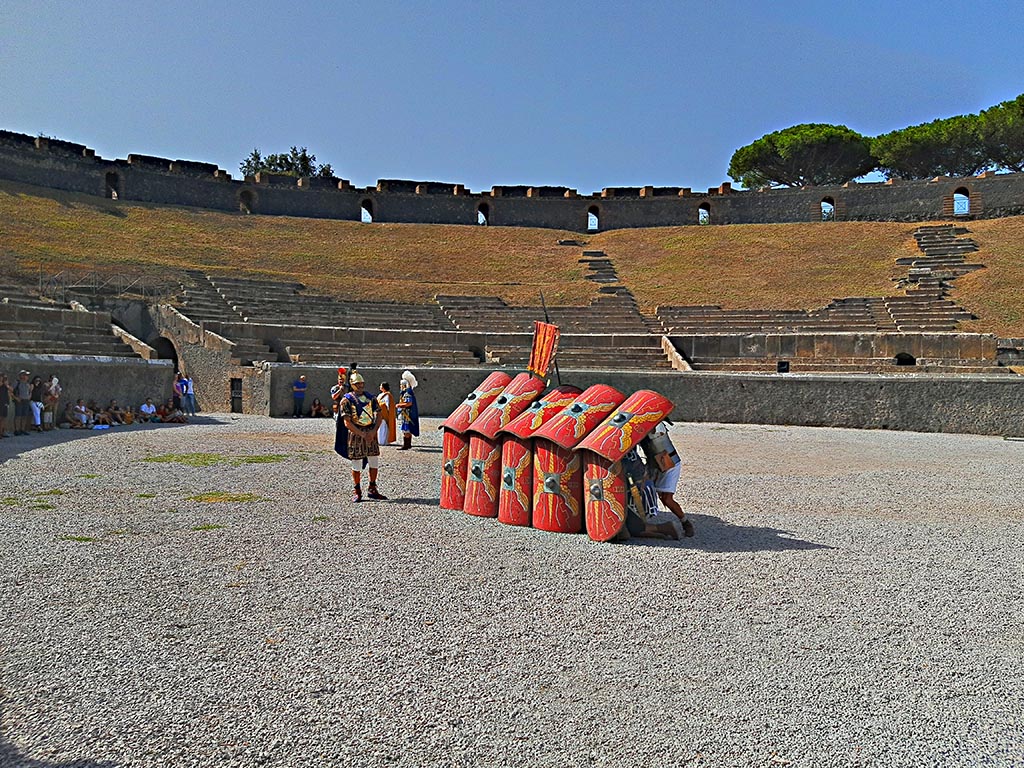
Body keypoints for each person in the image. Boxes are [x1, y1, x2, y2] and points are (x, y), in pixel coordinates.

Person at [335, 371, 386, 502]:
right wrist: (362, 434)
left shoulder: (371, 398)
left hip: (371, 431)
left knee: (374, 460)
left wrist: (373, 431)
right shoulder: (346, 400)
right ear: (352, 384)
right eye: (357, 384)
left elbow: (379, 415)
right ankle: (357, 490)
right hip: (356, 433)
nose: (360, 386)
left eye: (362, 383)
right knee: (356, 462)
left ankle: (372, 488)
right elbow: (347, 422)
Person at [395, 370, 420, 450]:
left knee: (406, 429)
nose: (400, 386)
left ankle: (406, 444)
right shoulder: (405, 393)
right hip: (405, 414)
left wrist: (399, 405)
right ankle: (407, 444)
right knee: (406, 429)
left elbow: (409, 403)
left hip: (407, 414)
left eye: (401, 385)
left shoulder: (407, 393)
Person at [12, 370, 33, 436]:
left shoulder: (28, 383)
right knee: (18, 415)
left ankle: (23, 429)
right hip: (19, 401)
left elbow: (30, 391)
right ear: (21, 375)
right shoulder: (17, 382)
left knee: (24, 416)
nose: (27, 376)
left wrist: (29, 396)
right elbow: (11, 391)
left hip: (26, 401)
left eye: (27, 375)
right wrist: (16, 398)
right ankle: (17, 430)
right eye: (25, 375)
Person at [0, 373, 11, 438]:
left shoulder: (5, 385)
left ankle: (2, 432)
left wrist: (7, 385)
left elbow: (11, 390)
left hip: (5, 403)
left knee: (3, 418)